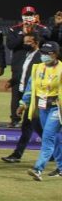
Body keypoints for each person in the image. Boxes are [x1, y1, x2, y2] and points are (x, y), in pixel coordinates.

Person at [21, 41, 62, 181]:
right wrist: (23, 103)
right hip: (42, 107)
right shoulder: (37, 68)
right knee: (54, 138)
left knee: (47, 137)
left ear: (55, 54)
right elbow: (30, 87)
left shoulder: (61, 69)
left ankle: (38, 169)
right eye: (42, 53)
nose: (44, 55)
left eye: (47, 53)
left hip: (57, 107)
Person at [1, 32, 43, 162]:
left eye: (28, 42)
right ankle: (53, 150)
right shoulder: (28, 55)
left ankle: (17, 154)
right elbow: (23, 73)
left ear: (36, 42)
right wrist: (13, 80)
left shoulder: (40, 57)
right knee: (37, 127)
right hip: (25, 92)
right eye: (24, 42)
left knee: (27, 125)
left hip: (34, 96)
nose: (25, 44)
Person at [6, 5, 50, 123]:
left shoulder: (41, 28)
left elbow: (47, 40)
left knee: (34, 94)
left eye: (30, 15)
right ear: (22, 16)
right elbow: (10, 45)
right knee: (16, 95)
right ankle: (15, 120)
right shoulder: (14, 29)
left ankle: (32, 121)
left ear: (35, 16)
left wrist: (33, 32)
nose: (28, 18)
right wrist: (22, 35)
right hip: (18, 67)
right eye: (26, 15)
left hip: (36, 67)